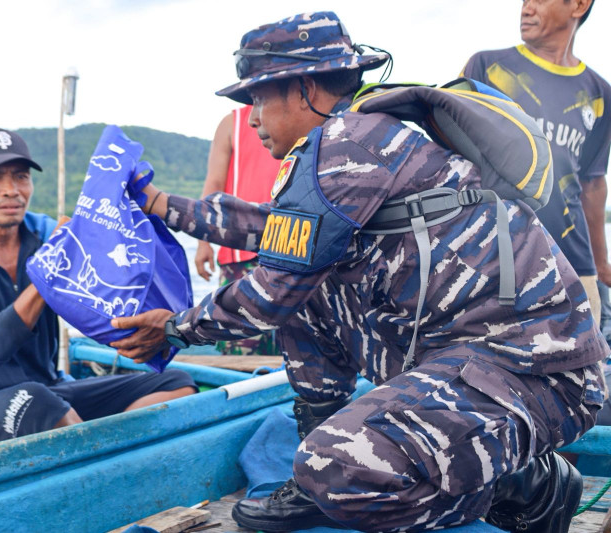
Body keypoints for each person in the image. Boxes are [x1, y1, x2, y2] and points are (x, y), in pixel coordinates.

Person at [109, 12, 608, 533]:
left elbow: (268, 295)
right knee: (313, 288)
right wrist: (163, 204)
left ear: (304, 89)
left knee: (336, 468)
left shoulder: (350, 145)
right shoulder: (352, 140)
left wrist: (173, 328)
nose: (252, 118)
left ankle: (525, 484)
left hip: (535, 372)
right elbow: (276, 232)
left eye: (259, 99)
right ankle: (319, 453)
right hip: (469, 357)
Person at [0, 127, 196, 442]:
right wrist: (49, 272)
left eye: (21, 177)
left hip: (53, 387)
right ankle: (100, 463)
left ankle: (106, 453)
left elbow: (108, 287)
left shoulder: (46, 231)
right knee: (39, 403)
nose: (11, 189)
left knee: (177, 383)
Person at [463, 0, 611, 326]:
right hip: (497, 266)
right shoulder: (486, 67)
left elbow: (592, 184)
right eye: (525, 0)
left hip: (576, 268)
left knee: (584, 373)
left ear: (579, 5)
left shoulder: (600, 94)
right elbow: (453, 163)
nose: (526, 8)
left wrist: (601, 267)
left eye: (539, 0)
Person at [194, 106, 281, 355]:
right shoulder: (232, 123)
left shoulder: (298, 114)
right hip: (239, 251)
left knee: (293, 339)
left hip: (290, 247)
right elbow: (214, 183)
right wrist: (203, 242)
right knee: (239, 341)